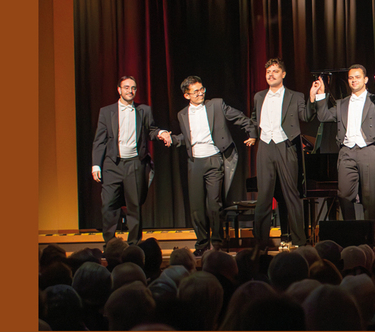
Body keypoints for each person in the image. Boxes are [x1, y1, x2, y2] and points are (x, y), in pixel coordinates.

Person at [167, 76, 257, 254]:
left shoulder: (216, 105)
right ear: (187, 96)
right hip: (195, 162)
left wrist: (252, 132)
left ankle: (216, 243)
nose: (200, 93)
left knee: (214, 204)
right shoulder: (182, 114)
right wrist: (173, 139)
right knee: (196, 206)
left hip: (214, 159)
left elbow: (239, 117)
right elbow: (187, 136)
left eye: (202, 89)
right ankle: (201, 244)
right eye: (196, 92)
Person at [91, 76, 168, 246]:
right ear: (119, 90)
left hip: (134, 163)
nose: (130, 91)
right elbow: (99, 140)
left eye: (133, 88)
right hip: (112, 164)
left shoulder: (144, 110)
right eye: (126, 87)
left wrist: (160, 133)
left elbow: (151, 130)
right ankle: (110, 245)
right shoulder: (107, 111)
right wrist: (96, 164)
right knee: (109, 206)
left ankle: (134, 245)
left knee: (134, 206)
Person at [309, 64, 375, 221]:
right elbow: (324, 117)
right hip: (346, 152)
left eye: (357, 77)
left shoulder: (374, 100)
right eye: (351, 78)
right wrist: (320, 95)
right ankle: (351, 233)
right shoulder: (342, 103)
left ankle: (370, 238)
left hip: (367, 151)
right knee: (344, 195)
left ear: (365, 80)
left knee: (370, 198)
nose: (354, 80)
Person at [247, 59, 312, 250]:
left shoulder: (295, 96)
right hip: (266, 146)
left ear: (283, 74)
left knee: (291, 195)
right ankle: (261, 242)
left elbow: (306, 116)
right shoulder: (259, 96)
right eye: (268, 72)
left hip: (286, 145)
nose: (271, 74)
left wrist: (313, 97)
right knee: (264, 196)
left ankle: (300, 240)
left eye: (275, 71)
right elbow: (253, 118)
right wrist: (252, 135)